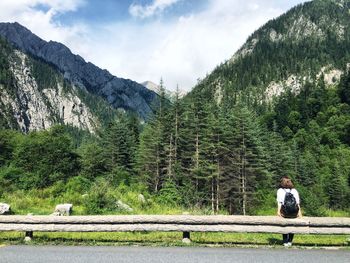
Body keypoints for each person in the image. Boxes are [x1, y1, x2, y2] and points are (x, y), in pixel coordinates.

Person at [276, 176, 302, 247]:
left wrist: (278, 212)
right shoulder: (294, 190)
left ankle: (285, 241)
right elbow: (297, 203)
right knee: (292, 225)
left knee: (284, 225)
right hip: (294, 212)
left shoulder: (280, 190)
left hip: (285, 212)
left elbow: (280, 203)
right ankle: (290, 241)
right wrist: (299, 213)